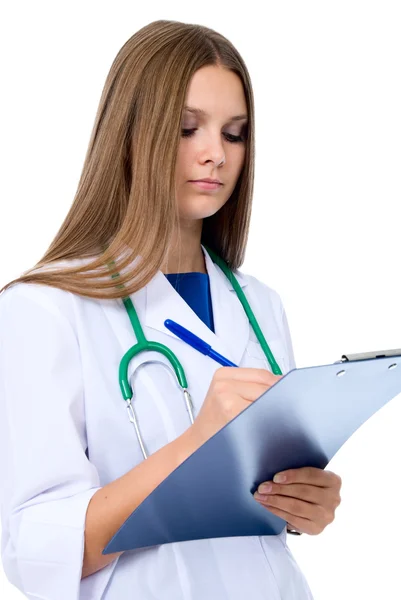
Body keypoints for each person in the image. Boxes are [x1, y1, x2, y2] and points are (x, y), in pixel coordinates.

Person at [0, 19, 342, 600]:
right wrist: (193, 447)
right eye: (188, 128)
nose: (215, 155)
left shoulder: (260, 306)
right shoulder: (44, 312)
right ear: (131, 135)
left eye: (234, 134)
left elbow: (257, 511)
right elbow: (34, 550)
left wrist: (304, 504)